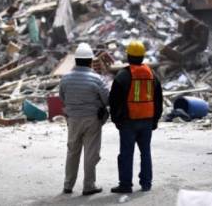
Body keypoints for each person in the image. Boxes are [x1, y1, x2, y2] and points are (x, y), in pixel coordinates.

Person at [109, 40, 163, 193]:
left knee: (126, 153)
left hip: (128, 122)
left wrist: (116, 119)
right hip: (147, 121)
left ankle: (125, 185)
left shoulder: (123, 75)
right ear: (142, 56)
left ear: (128, 56)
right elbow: (159, 99)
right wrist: (155, 120)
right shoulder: (152, 75)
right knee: (145, 153)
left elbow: (114, 100)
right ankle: (146, 184)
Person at [59, 42, 109, 196]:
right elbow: (107, 100)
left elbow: (62, 97)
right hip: (92, 120)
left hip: (73, 120)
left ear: (76, 60)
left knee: (72, 152)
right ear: (90, 61)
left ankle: (68, 185)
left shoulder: (65, 78)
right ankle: (89, 186)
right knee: (90, 154)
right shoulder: (97, 79)